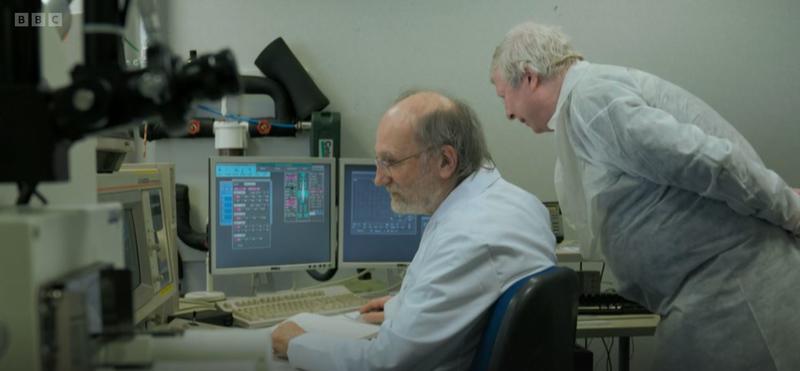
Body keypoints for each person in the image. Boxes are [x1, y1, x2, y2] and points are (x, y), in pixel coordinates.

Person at [490, 21, 800, 370]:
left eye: (504, 97)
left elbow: (707, 161)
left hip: (737, 294)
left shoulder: (592, 101)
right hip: (713, 293)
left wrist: (792, 209)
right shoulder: (587, 101)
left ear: (529, 77)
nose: (508, 113)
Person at [271, 91, 557, 370]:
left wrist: (298, 344)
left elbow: (384, 362)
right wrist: (403, 307)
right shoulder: (520, 203)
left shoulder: (467, 238)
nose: (379, 179)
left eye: (390, 162)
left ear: (446, 161)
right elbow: (471, 296)